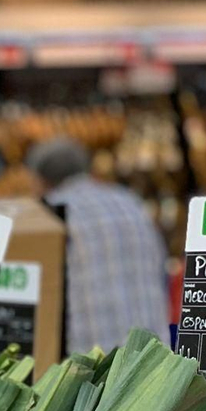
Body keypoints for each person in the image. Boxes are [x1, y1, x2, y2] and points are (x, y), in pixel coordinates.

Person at [27, 135, 170, 353]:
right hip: (154, 357)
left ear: (41, 180)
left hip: (94, 362)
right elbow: (161, 266)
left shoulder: (50, 213)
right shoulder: (129, 201)